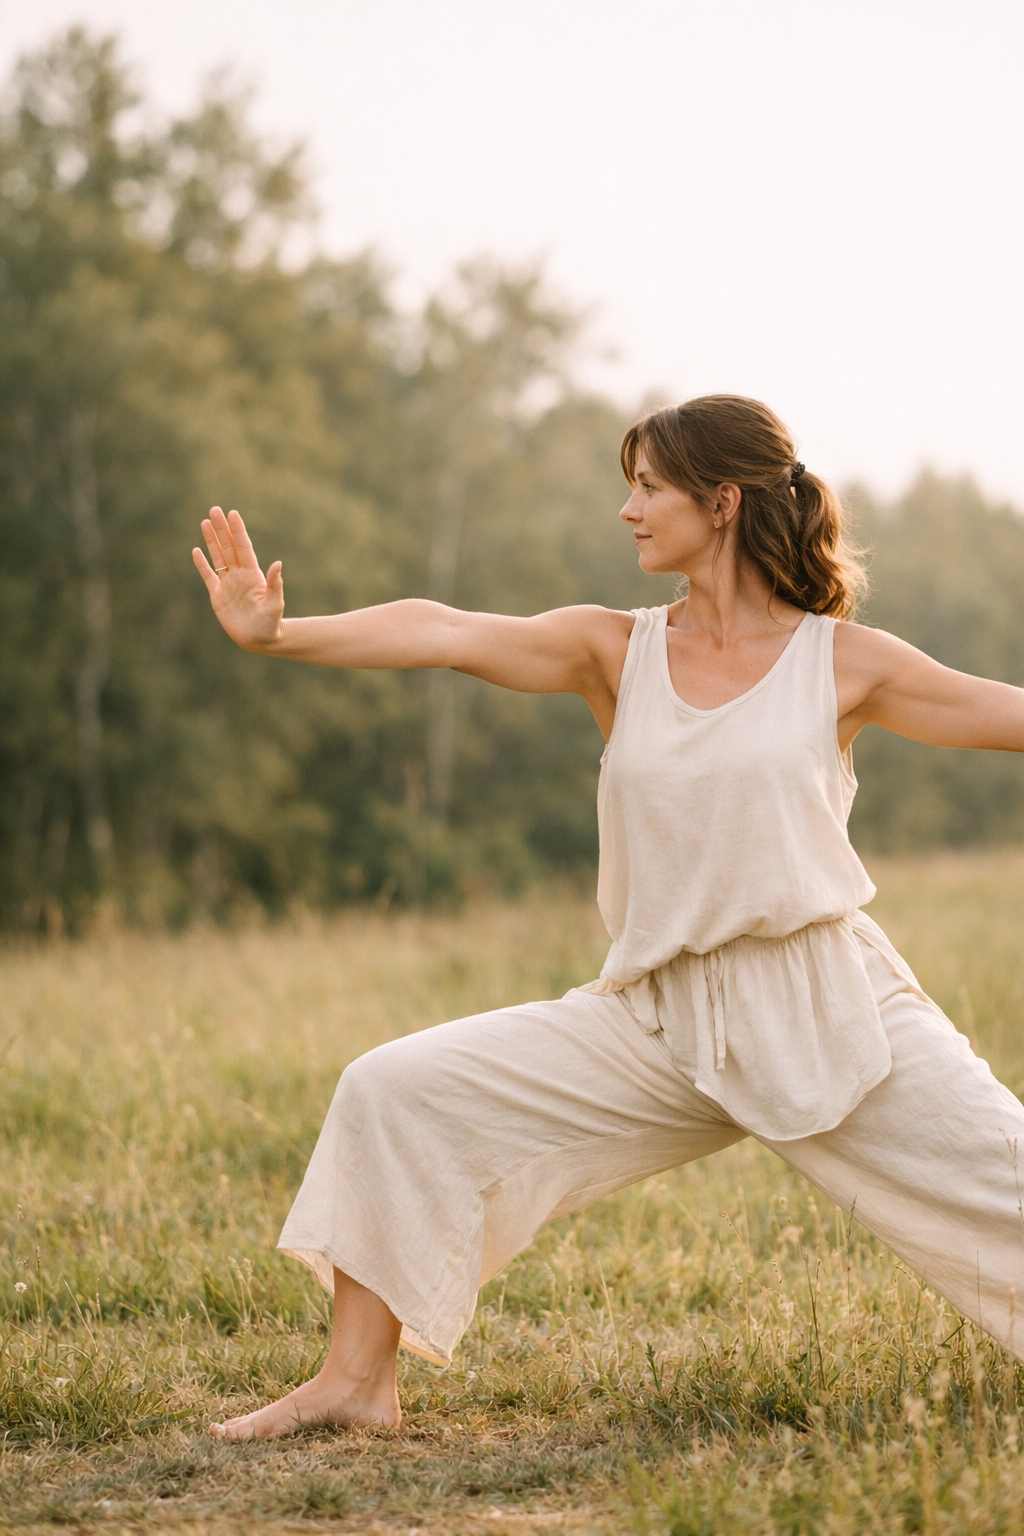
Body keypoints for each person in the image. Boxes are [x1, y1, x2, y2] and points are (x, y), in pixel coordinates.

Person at [194, 394, 1024, 1442]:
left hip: (823, 1004)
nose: (628, 510)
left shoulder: (843, 661)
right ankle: (355, 1382)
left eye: (648, 488)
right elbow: (444, 629)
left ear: (721, 503)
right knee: (394, 1089)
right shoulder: (615, 651)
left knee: (1007, 1185)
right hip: (656, 1015)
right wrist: (280, 636)